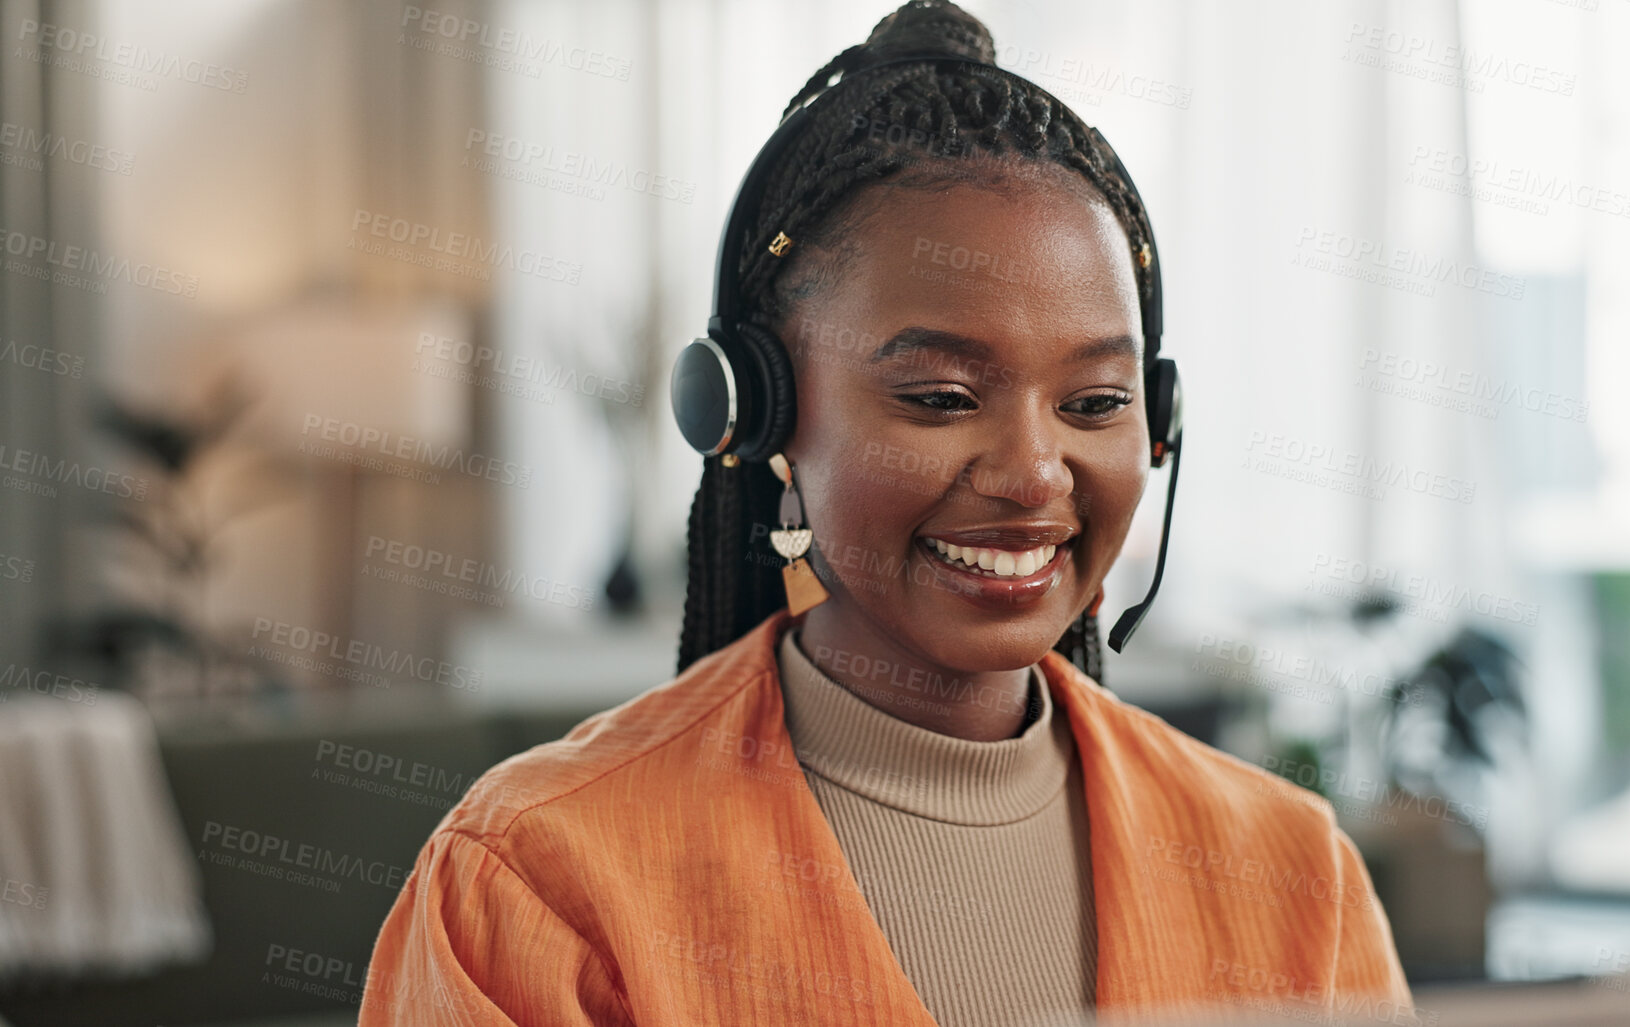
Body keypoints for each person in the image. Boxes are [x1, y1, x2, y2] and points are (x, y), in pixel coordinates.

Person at [359, 2, 1414, 1025]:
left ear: (1162, 420)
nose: (1034, 474)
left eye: (1095, 403)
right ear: (757, 412)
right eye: (941, 398)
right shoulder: (535, 878)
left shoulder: (1292, 871)